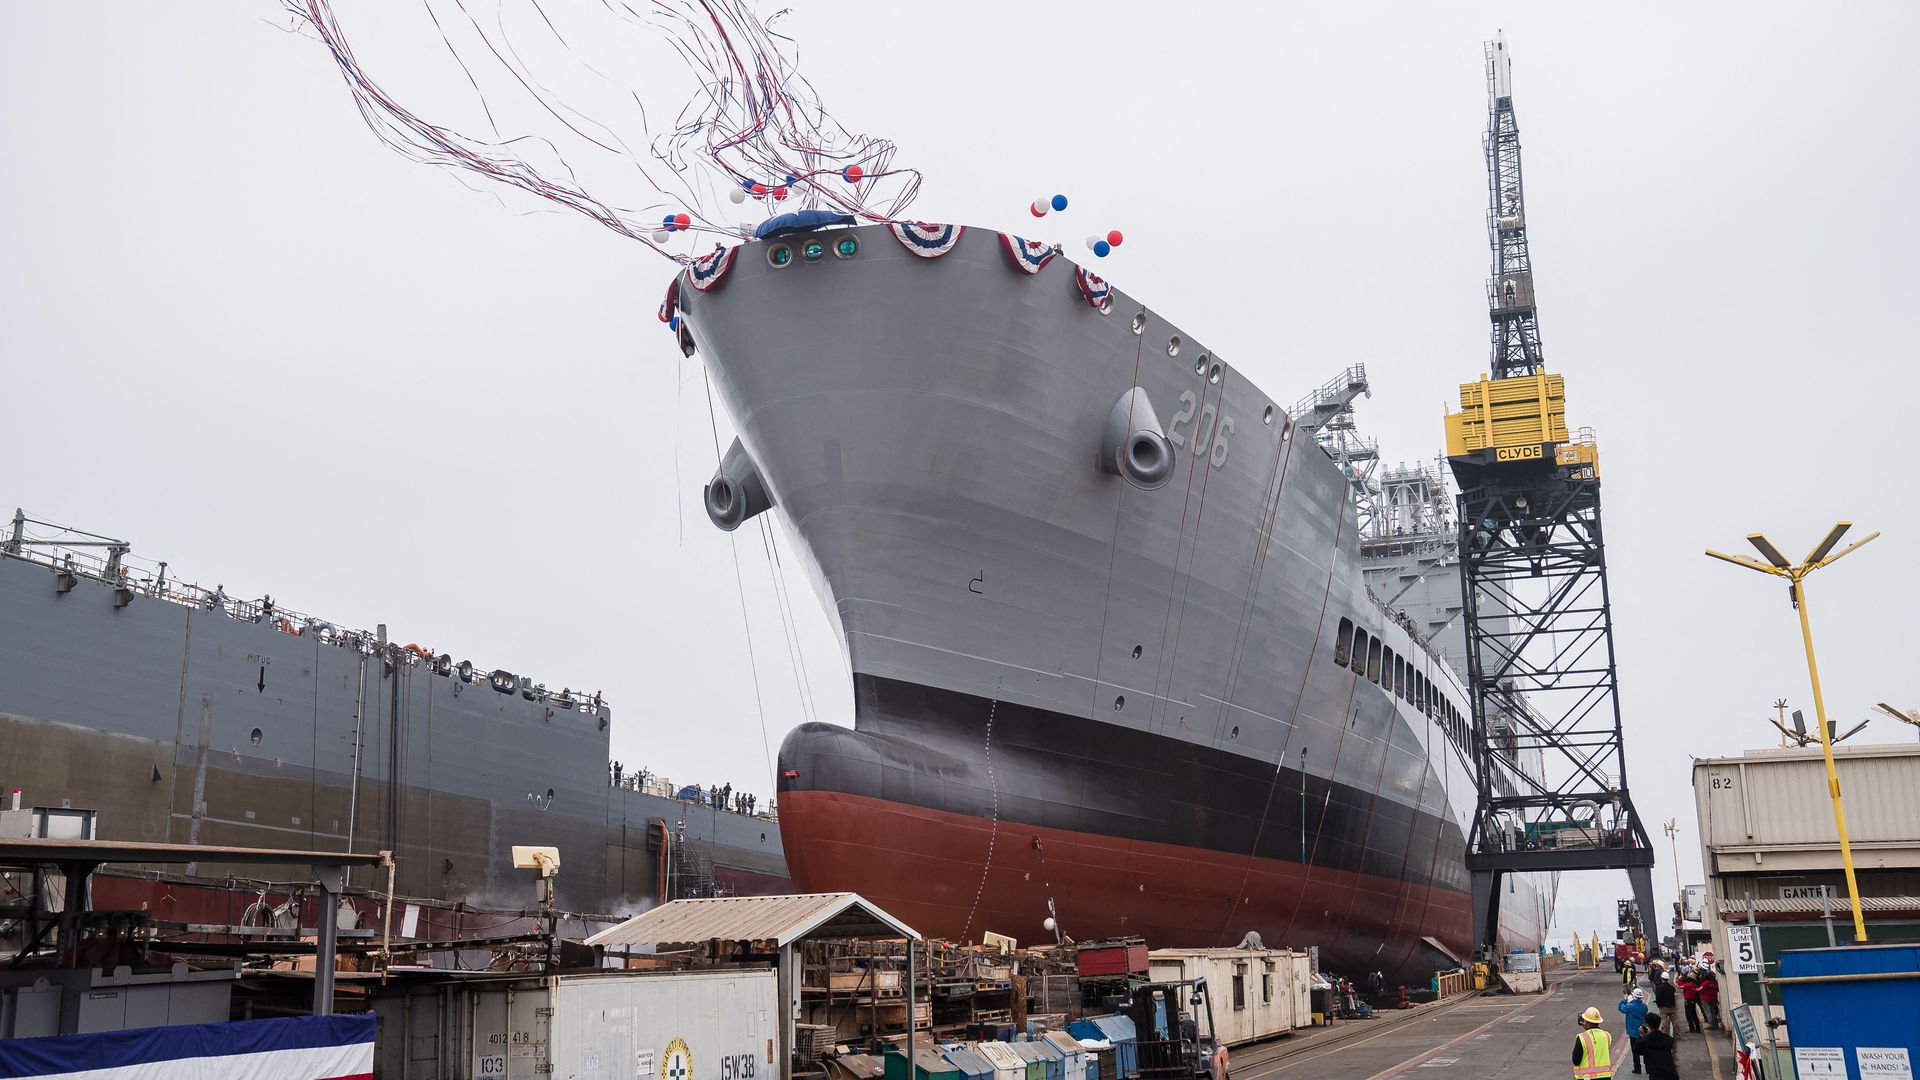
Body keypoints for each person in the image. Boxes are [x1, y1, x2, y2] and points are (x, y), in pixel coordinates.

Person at [1573, 1006, 1615, 1079]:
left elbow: (1576, 1060)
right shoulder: (1607, 1035)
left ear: (1586, 1022)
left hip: (1586, 1077)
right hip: (1605, 1076)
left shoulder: (1582, 1037)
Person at [1639, 1013, 1678, 1080]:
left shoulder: (1645, 1041)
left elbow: (1638, 1050)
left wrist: (1642, 1035)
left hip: (1656, 1075)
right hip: (1671, 1074)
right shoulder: (1667, 1038)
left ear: (1648, 1025)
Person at [1619, 990, 1650, 1074]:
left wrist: (1624, 1000)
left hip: (1633, 1032)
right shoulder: (1644, 1006)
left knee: (1635, 1050)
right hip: (1642, 1031)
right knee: (1645, 1049)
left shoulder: (1629, 1006)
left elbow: (1622, 1009)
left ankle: (1637, 1068)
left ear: (1633, 996)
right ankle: (1647, 1068)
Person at [1652, 969, 1678, 1037]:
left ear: (1661, 978)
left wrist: (1659, 1005)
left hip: (1663, 1008)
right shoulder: (1671, 988)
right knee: (1675, 1023)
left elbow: (1658, 998)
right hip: (1672, 1007)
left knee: (1663, 1023)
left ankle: (1661, 1036)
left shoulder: (1659, 988)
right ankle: (1677, 1035)